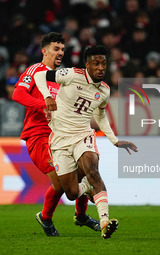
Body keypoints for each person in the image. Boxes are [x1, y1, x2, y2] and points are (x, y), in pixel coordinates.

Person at [34, 45, 138, 239]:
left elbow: (100, 114)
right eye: (96, 63)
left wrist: (114, 141)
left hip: (83, 135)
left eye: (104, 64)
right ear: (87, 65)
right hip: (60, 140)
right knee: (72, 193)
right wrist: (47, 96)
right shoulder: (71, 74)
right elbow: (40, 76)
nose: (101, 68)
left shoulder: (105, 90)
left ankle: (105, 221)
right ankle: (86, 188)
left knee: (92, 169)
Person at [12, 32, 100, 237]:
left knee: (83, 169)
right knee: (61, 182)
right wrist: (43, 104)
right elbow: (18, 93)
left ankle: (81, 215)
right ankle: (45, 218)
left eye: (62, 49)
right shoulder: (36, 70)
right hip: (38, 134)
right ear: (44, 50)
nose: (60, 53)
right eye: (56, 49)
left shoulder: (62, 77)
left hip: (61, 135)